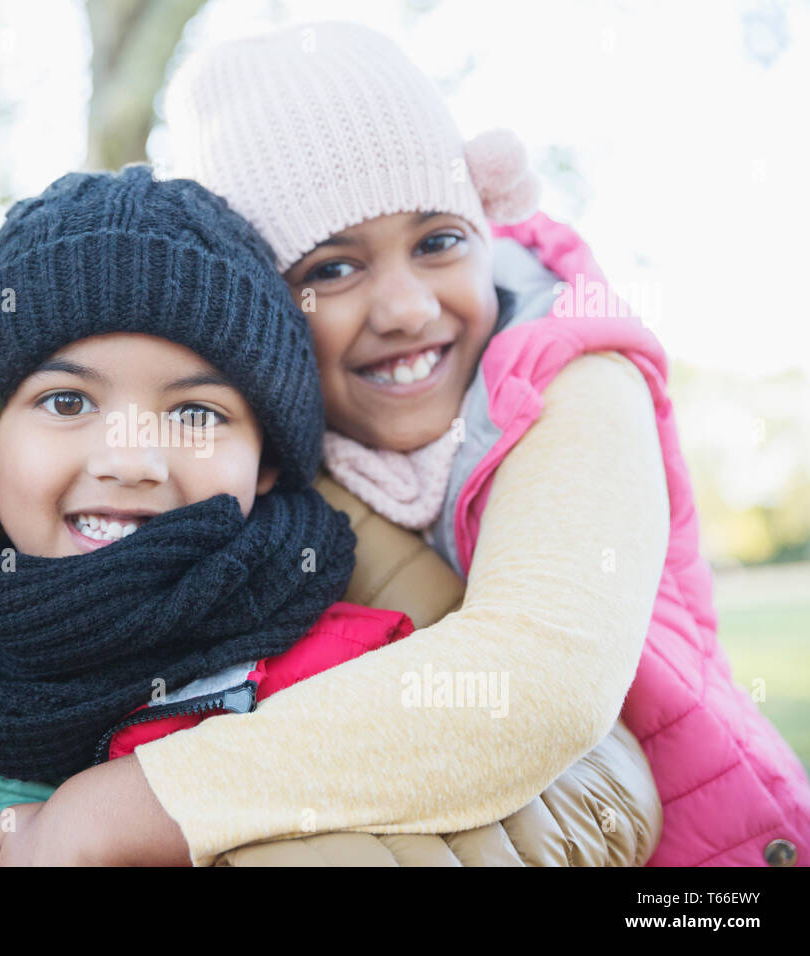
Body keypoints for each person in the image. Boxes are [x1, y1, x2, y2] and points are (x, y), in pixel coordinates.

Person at [0, 166, 661, 868]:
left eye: (198, 413)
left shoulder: (356, 675)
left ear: (268, 460)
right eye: (67, 401)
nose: (131, 459)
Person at [152, 21, 810, 866]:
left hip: (707, 850)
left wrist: (153, 799)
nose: (407, 309)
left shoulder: (572, 378)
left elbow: (534, 678)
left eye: (438, 242)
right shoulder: (275, 460)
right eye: (331, 269)